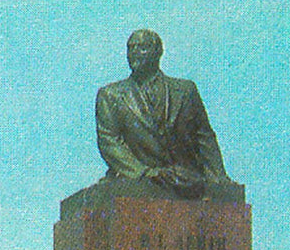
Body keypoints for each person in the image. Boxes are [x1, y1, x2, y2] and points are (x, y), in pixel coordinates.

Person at [95, 29, 231, 198]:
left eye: (142, 47)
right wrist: (144, 172)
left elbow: (204, 137)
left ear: (158, 52)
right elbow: (109, 141)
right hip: (139, 180)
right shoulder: (111, 95)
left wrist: (218, 176)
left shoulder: (185, 91)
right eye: (131, 48)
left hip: (184, 180)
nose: (134, 53)